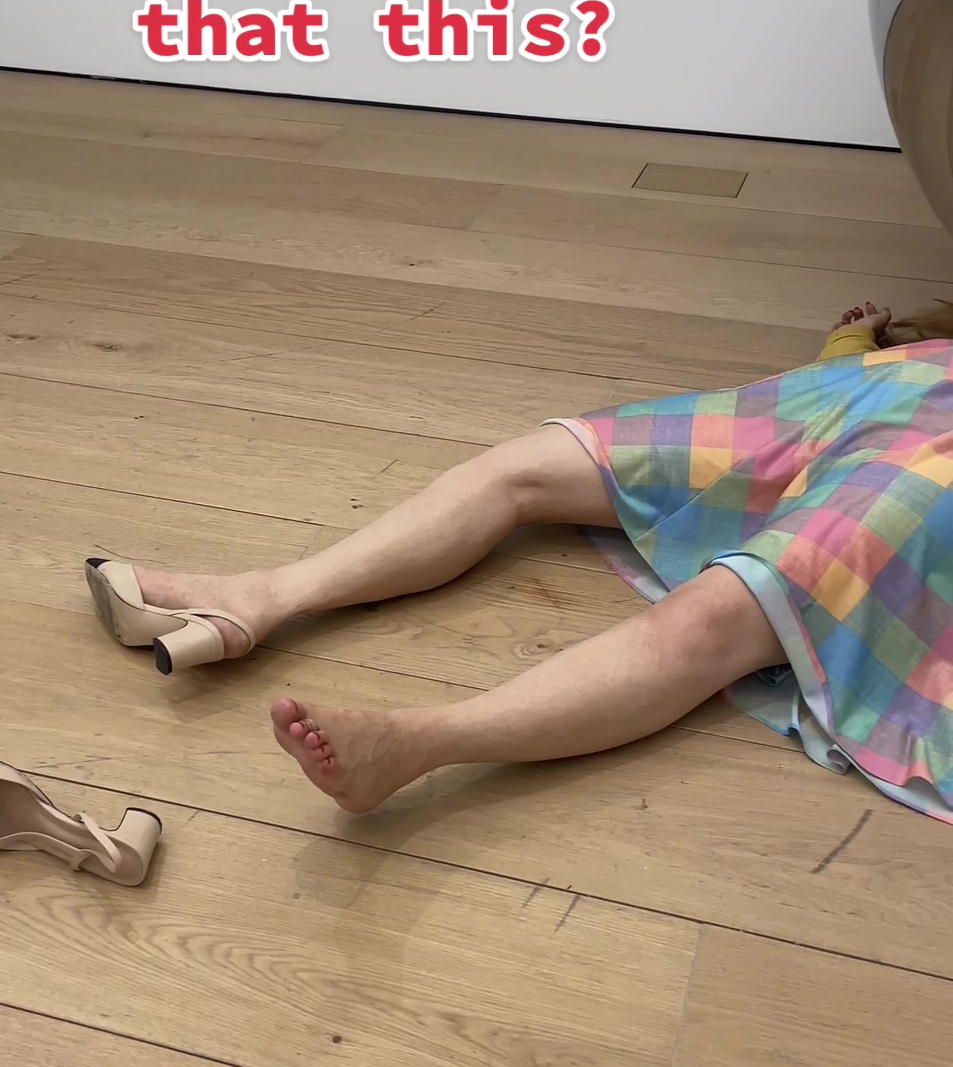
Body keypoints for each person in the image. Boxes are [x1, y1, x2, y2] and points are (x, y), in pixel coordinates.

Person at [87, 299, 953, 822]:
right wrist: (854, 350)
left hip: (935, 457)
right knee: (528, 466)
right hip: (878, 390)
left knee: (722, 614)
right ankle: (259, 596)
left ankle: (418, 743)